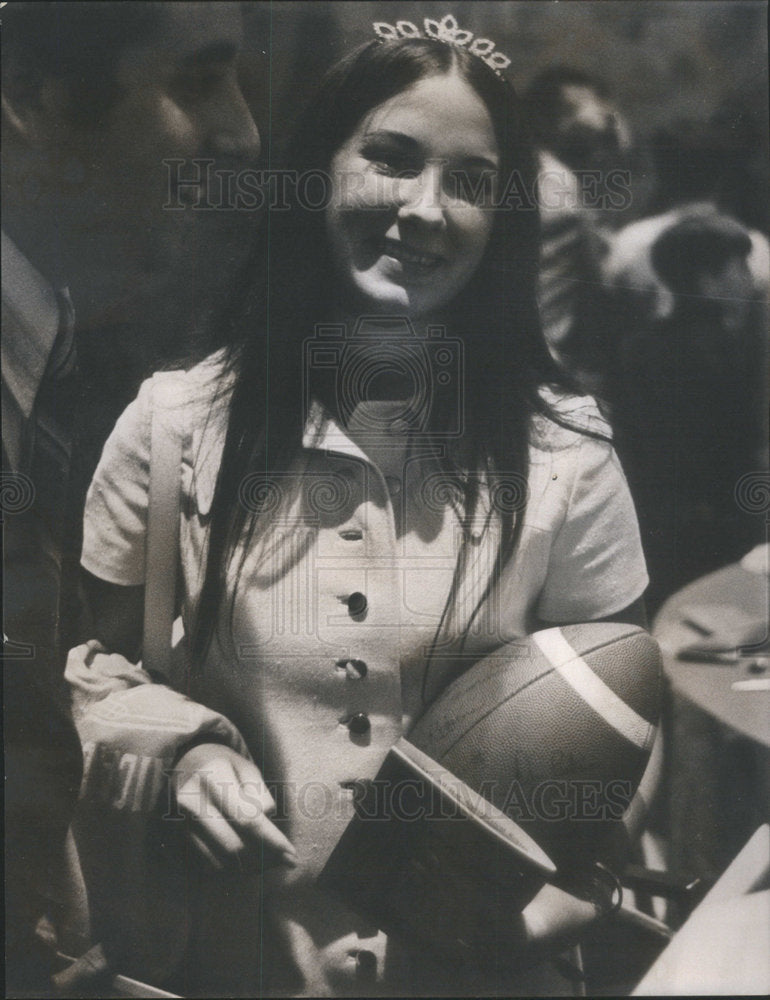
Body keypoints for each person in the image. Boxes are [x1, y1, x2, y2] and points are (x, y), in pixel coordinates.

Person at [67, 19, 649, 997]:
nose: (424, 209)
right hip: (231, 966)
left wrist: (522, 924)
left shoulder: (566, 454)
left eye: (468, 181)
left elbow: (615, 727)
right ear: (316, 173)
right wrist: (180, 754)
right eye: (389, 159)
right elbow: (88, 672)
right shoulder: (172, 427)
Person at [2, 2, 260, 993]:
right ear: (28, 94)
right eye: (195, 82)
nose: (242, 132)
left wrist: (169, 743)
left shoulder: (47, 347)